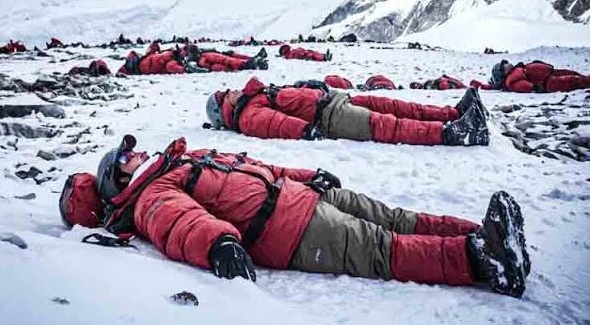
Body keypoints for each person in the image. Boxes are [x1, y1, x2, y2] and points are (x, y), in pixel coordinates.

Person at [67, 135, 530, 298]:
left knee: (394, 217)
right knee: (381, 249)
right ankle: (483, 262)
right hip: (291, 232)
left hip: (297, 194)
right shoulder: (151, 197)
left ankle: (483, 234)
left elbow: (257, 167)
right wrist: (219, 244)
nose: (135, 152)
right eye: (124, 157)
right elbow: (183, 224)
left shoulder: (178, 161)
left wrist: (309, 174)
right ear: (117, 182)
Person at [204, 77, 489, 146]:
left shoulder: (257, 94)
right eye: (224, 94)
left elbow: (286, 102)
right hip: (328, 117)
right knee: (387, 124)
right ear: (223, 109)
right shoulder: (248, 114)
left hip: (333, 99)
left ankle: (451, 113)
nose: (230, 90)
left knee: (393, 106)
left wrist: (309, 86)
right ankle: (454, 134)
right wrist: (305, 131)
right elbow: (275, 123)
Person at [482, 60, 590, 93]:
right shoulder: (511, 80)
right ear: (502, 74)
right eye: (504, 66)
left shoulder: (517, 69)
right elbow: (522, 85)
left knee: (574, 74)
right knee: (574, 81)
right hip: (547, 82)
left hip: (550, 73)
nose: (507, 64)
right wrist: (533, 87)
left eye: (505, 63)